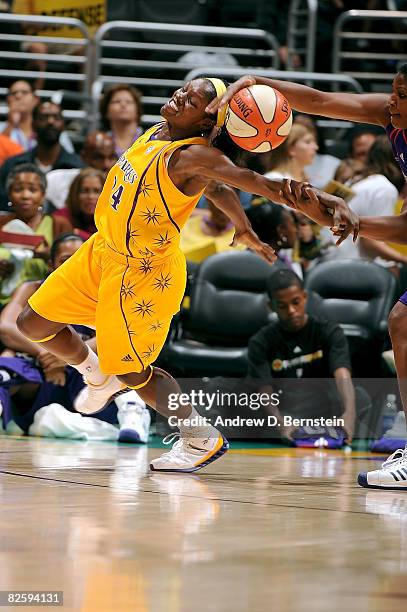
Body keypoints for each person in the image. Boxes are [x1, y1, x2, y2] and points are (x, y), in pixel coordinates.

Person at [15, 77, 353, 474]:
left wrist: (325, 200)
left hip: (141, 272)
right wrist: (241, 226)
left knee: (134, 372)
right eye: (184, 89)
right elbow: (214, 189)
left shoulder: (195, 154)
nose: (179, 95)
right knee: (33, 323)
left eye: (191, 99)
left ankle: (199, 436)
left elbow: (259, 184)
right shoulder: (160, 130)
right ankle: (95, 371)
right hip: (102, 251)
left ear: (205, 123)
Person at [207, 65, 407, 488]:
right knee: (402, 323)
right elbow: (318, 101)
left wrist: (349, 221)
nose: (392, 101)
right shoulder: (392, 118)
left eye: (402, 94)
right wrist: (258, 83)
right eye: (393, 90)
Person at [0, 232, 150, 443]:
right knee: (9, 360)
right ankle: (104, 431)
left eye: (80, 259)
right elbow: (6, 327)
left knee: (121, 359)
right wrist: (49, 351)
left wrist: (69, 356)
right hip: (45, 372)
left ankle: (132, 413)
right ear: (51, 264)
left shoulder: (108, 290)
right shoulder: (32, 288)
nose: (73, 266)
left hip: (88, 378)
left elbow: (123, 334)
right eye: (65, 261)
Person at [247, 269, 358, 444]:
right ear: (271, 306)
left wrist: (349, 415)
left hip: (322, 403)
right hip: (285, 405)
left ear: (304, 297)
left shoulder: (329, 331)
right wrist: (281, 424)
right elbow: (264, 391)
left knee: (360, 397)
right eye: (282, 306)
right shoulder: (260, 341)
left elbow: (342, 372)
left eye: (296, 302)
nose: (291, 311)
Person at [0, 163, 72, 306]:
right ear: (9, 194)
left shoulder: (59, 224)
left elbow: (71, 267)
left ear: (43, 195)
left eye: (32, 190)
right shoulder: (1, 223)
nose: (25, 196)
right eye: (18, 189)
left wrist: (49, 256)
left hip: (43, 302)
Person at [0, 101, 83, 209]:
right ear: (33, 125)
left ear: (63, 125)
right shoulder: (12, 165)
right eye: (44, 117)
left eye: (56, 118)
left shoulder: (77, 167)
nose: (50, 122)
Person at [45, 131, 116, 210]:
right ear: (83, 157)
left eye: (111, 157)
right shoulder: (56, 179)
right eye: (98, 158)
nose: (106, 164)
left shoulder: (124, 187)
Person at [53, 168, 104, 240]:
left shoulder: (112, 219)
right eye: (84, 191)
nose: (90, 196)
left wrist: (80, 234)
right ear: (75, 194)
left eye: (97, 191)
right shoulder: (61, 218)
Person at [99, 84, 143, 158]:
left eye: (129, 102)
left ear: (137, 111)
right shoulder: (99, 142)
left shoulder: (150, 139)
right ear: (106, 111)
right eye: (117, 101)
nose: (123, 104)